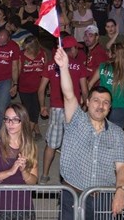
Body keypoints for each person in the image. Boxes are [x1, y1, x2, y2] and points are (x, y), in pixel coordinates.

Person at [56, 47, 124, 220]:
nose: (100, 105)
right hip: (72, 195)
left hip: (102, 199)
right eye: (96, 100)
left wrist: (120, 191)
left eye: (105, 102)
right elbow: (68, 95)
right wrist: (64, 67)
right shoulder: (76, 120)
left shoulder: (117, 133)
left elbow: (122, 167)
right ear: (87, 103)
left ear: (110, 108)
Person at [38, 36, 89, 184]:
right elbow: (85, 90)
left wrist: (42, 106)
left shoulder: (49, 65)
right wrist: (85, 106)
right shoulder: (79, 66)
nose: (77, 51)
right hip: (74, 109)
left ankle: (45, 174)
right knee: (75, 143)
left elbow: (41, 89)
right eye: (76, 48)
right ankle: (74, 175)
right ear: (71, 49)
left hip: (56, 109)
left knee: (51, 144)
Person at [0, 103, 38, 219]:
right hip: (0, 204)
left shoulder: (30, 146)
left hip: (23, 205)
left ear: (24, 121)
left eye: (15, 120)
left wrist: (24, 171)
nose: (10, 123)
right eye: (7, 119)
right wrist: (9, 172)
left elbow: (34, 181)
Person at [88, 42, 124, 129]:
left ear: (111, 54)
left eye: (109, 52)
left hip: (102, 105)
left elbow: (90, 84)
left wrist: (88, 101)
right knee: (116, 137)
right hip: (119, 109)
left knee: (99, 133)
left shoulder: (103, 67)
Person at [18, 36, 47, 138]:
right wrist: (14, 85)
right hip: (24, 89)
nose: (26, 50)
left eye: (28, 48)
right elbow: (17, 72)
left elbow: (47, 71)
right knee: (28, 112)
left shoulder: (43, 54)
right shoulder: (21, 56)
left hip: (38, 89)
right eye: (25, 48)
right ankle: (37, 131)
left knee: (35, 112)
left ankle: (26, 136)